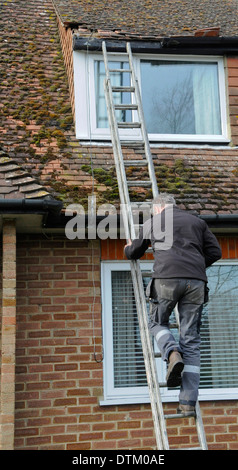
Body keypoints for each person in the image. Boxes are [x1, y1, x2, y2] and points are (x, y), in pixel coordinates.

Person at [124, 193, 222, 413]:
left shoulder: (153, 222)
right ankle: (187, 404)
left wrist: (127, 247)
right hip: (196, 283)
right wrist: (195, 266)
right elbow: (216, 252)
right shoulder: (198, 222)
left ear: (157, 208)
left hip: (166, 279)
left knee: (156, 323)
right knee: (192, 341)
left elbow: (134, 252)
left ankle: (171, 353)